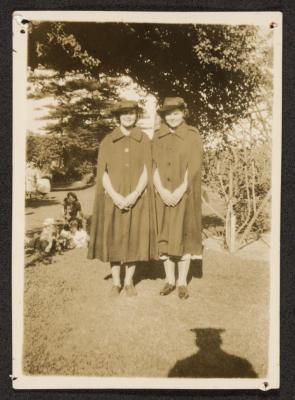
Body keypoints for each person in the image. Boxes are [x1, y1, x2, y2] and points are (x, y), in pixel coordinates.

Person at [88, 99, 157, 297]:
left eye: (132, 113)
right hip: (113, 198)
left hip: (137, 198)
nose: (128, 116)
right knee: (115, 239)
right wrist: (115, 195)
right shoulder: (108, 140)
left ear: (136, 115)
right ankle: (116, 282)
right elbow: (103, 172)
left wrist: (135, 194)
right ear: (118, 116)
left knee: (133, 238)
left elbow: (147, 169)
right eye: (124, 113)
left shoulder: (144, 139)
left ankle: (129, 282)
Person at [152, 97, 203, 299]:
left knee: (183, 236)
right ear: (164, 116)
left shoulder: (192, 135)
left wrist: (180, 190)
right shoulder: (157, 136)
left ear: (183, 113)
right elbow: (152, 165)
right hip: (162, 195)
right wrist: (161, 190)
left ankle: (182, 282)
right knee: (164, 235)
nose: (172, 117)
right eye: (168, 114)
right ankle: (169, 280)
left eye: (176, 113)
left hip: (184, 195)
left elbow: (194, 166)